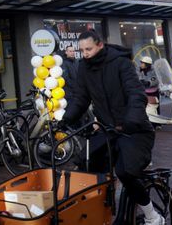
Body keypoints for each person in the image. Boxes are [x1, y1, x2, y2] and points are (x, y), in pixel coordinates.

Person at [63, 30, 163, 225]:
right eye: (82, 50)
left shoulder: (121, 63)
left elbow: (136, 94)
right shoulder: (84, 67)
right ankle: (102, 214)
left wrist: (130, 120)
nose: (85, 54)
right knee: (85, 163)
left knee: (125, 172)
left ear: (100, 45)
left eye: (89, 49)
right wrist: (66, 120)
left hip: (134, 130)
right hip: (108, 129)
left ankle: (153, 216)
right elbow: (81, 98)